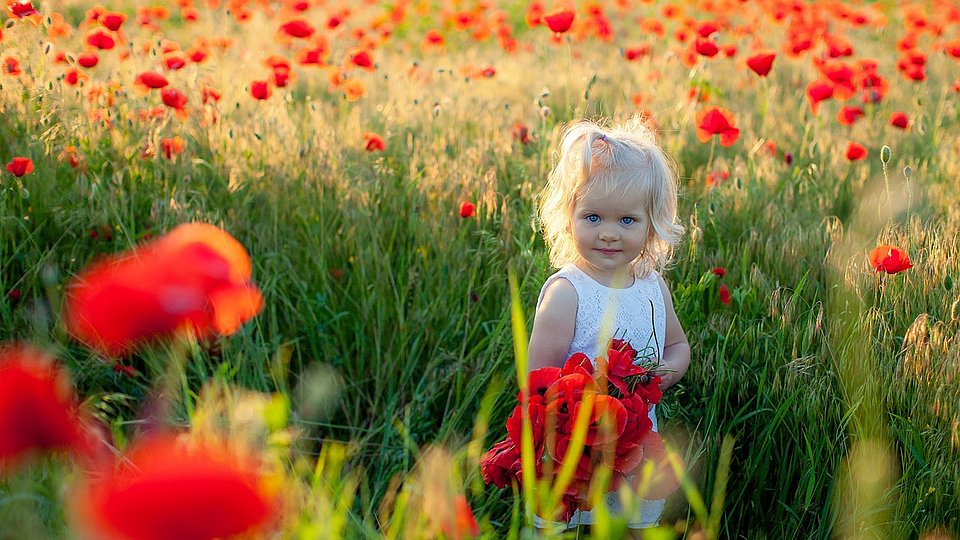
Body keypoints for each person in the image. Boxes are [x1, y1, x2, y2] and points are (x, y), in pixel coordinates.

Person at [527, 116, 690, 534]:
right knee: (571, 517)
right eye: (593, 217)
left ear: (652, 223)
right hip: (575, 441)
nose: (609, 234)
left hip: (635, 435)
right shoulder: (568, 293)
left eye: (627, 221)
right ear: (570, 216)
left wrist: (651, 382)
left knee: (632, 519)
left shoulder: (652, 286)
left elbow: (677, 347)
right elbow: (536, 380)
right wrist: (581, 402)